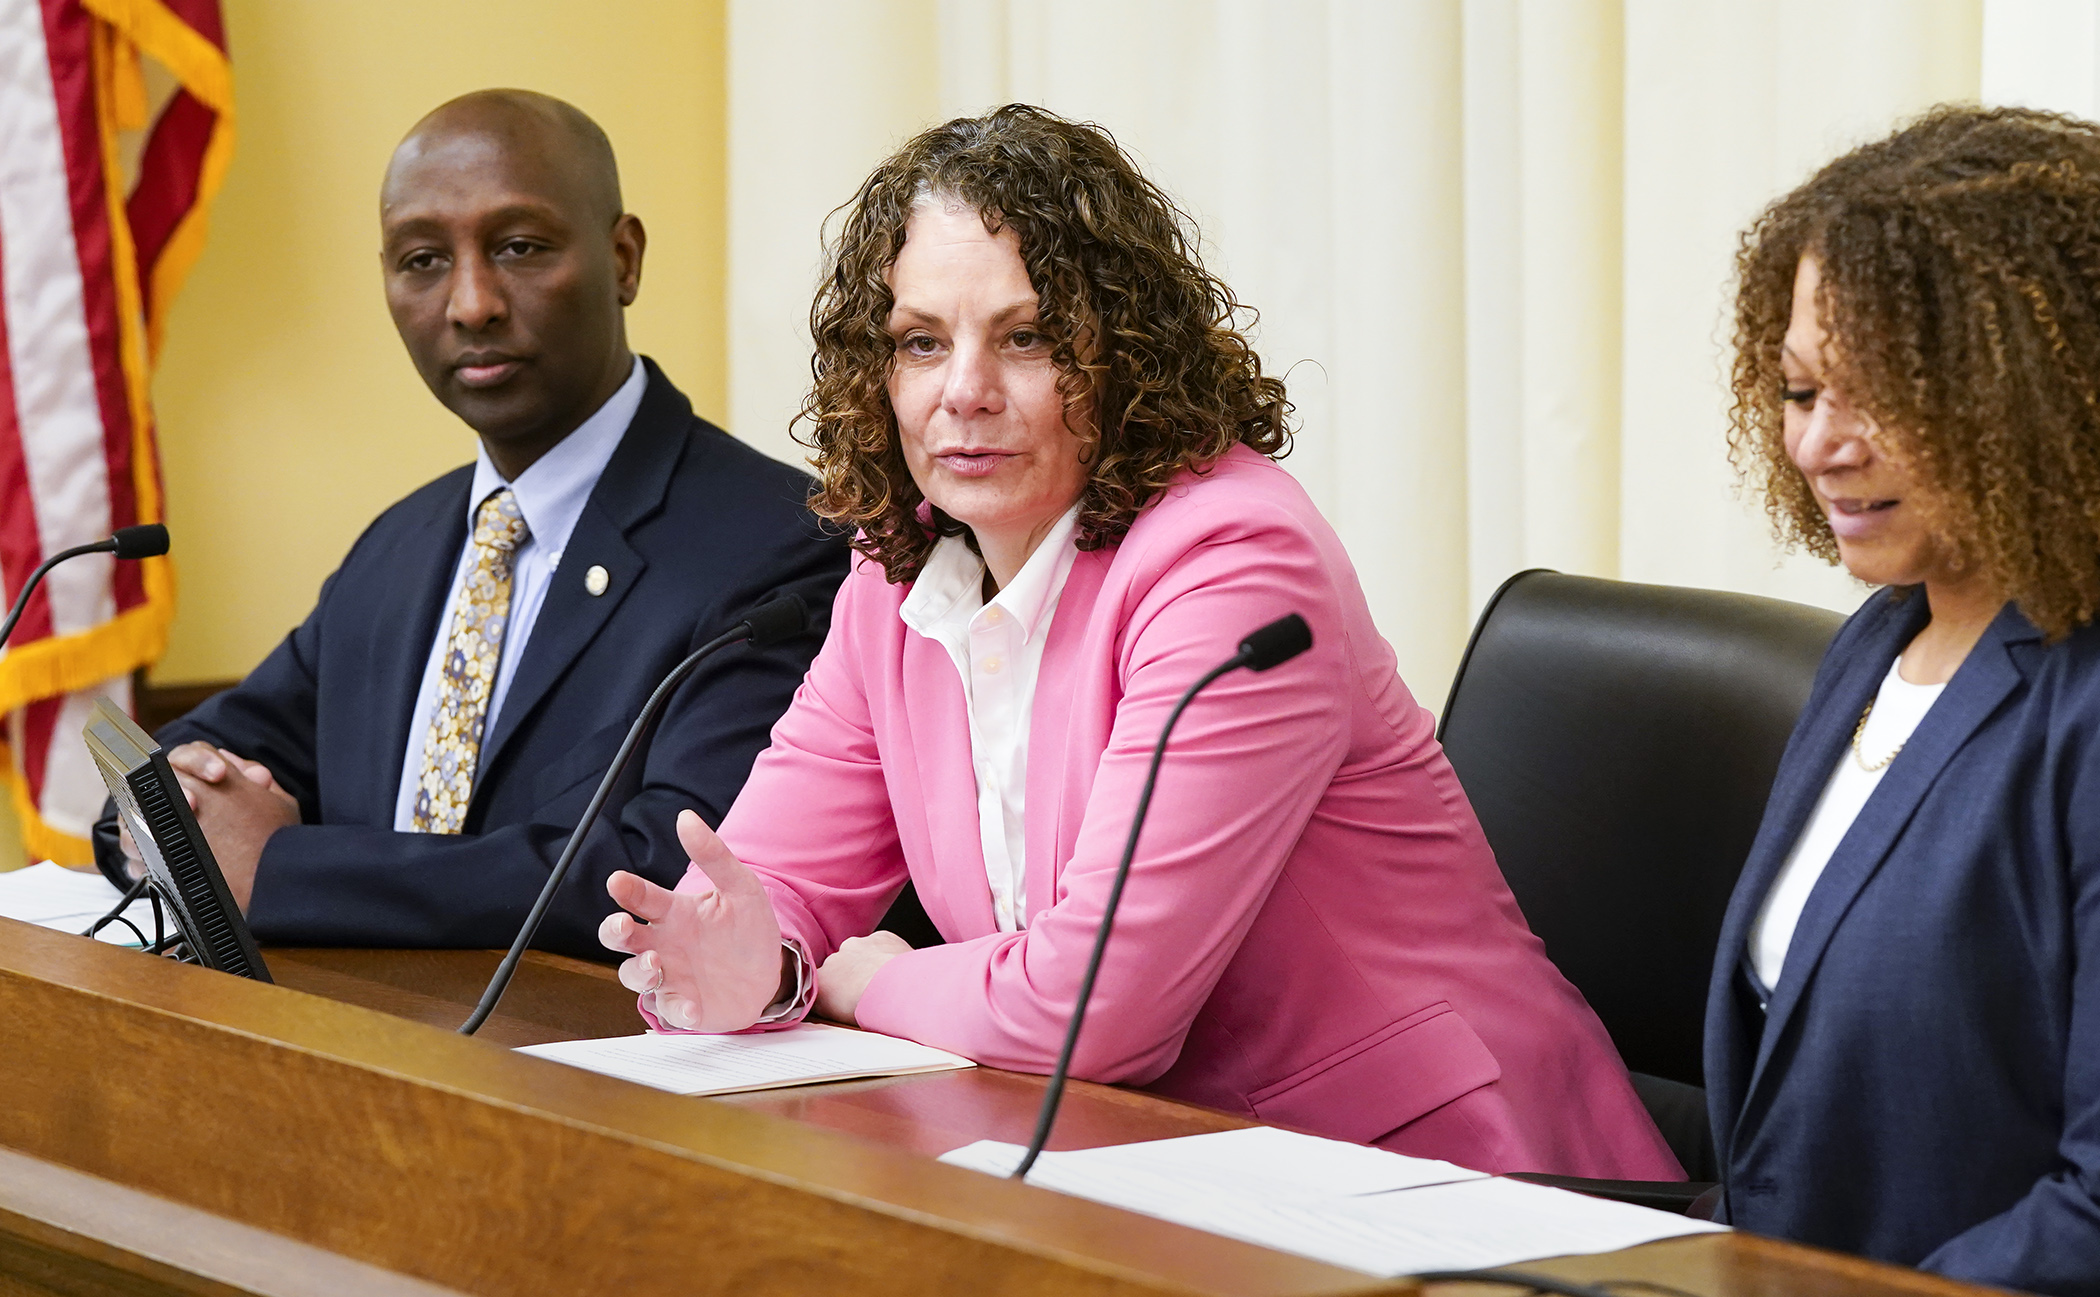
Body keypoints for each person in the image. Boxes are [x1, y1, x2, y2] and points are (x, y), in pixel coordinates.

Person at [599, 105, 1679, 1178]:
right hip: (1146, 1166)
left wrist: (861, 981)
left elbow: (1095, 1013)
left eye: (1025, 338)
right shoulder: (898, 578)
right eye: (921, 343)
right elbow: (757, 898)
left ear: (1122, 354)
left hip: (1443, 1179)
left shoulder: (1235, 565)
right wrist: (760, 971)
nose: (963, 393)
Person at [91, 90, 848, 959]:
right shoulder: (403, 543)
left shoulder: (780, 548)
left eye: (520, 248)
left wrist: (281, 868)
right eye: (421, 260)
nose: (472, 303)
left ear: (624, 258)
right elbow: (209, 748)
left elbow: (671, 876)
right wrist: (177, 810)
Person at [1705, 105, 2100, 1292]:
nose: (1821, 445)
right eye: (1798, 390)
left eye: (1880, 392)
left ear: (2038, 392)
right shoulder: (1877, 643)